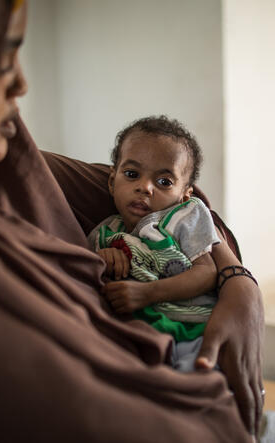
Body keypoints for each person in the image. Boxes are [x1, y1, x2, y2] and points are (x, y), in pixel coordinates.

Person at [0, 1, 264, 441]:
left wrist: (240, 283)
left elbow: (197, 211)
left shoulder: (10, 163)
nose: (22, 83)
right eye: (1, 61)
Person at [88, 116, 238, 372]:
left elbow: (207, 272)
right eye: (132, 174)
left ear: (184, 194)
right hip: (139, 330)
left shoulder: (184, 216)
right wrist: (104, 257)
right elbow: (85, 269)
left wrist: (147, 293)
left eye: (164, 182)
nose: (145, 187)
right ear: (113, 182)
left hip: (192, 329)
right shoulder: (104, 233)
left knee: (198, 383)